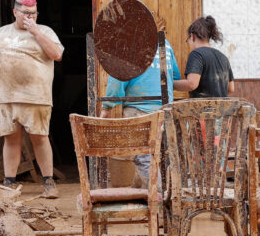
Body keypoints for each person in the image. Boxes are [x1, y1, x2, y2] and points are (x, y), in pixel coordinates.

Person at [0, 0, 64, 198]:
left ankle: (49, 182)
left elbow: (57, 55)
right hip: (5, 97)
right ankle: (10, 184)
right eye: (25, 13)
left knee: (40, 138)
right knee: (11, 140)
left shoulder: (46, 31)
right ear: (15, 12)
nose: (30, 17)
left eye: (33, 14)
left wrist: (37, 33)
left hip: (36, 96)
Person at [100, 21, 181, 188]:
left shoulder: (126, 45)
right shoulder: (164, 43)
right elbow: (174, 75)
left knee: (143, 157)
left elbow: (116, 82)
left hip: (139, 109)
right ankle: (140, 192)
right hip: (165, 109)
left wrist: (107, 107)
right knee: (155, 155)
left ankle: (158, 197)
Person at [173, 16, 235, 97]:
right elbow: (231, 89)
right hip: (222, 108)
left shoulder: (196, 54)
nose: (188, 43)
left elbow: (191, 84)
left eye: (187, 40)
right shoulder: (223, 57)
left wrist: (169, 84)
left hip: (203, 108)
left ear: (192, 36)